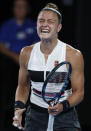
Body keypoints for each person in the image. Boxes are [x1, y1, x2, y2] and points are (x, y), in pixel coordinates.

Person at [13, 3, 84, 131]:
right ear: (36, 25)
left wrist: (62, 106)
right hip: (34, 116)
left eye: (50, 21)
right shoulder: (26, 53)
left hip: (65, 116)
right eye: (41, 21)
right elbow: (23, 85)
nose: (45, 24)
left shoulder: (73, 55)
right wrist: (18, 108)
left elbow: (79, 92)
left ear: (59, 27)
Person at [0, 0, 39, 129]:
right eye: (18, 6)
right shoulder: (7, 26)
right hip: (9, 62)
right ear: (13, 9)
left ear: (27, 9)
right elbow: (2, 46)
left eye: (23, 7)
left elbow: (37, 45)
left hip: (28, 62)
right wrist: (15, 57)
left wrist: (24, 59)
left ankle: (27, 119)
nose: (20, 9)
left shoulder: (33, 26)